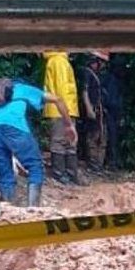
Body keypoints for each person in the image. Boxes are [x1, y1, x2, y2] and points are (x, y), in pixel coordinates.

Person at [0, 79, 77, 206]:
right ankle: (34, 208)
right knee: (34, 166)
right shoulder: (22, 89)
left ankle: (9, 208)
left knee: (5, 174)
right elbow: (57, 99)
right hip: (15, 129)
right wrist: (69, 125)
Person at [42, 51, 84, 185]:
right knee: (60, 141)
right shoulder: (58, 61)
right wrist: (65, 112)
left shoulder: (60, 60)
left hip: (65, 109)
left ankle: (71, 174)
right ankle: (60, 174)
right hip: (60, 110)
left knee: (70, 141)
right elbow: (61, 90)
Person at [78, 50, 108, 173]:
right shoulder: (87, 73)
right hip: (93, 110)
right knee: (93, 137)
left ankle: (98, 165)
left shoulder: (96, 75)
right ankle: (93, 164)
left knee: (102, 137)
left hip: (100, 110)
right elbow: (84, 92)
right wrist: (89, 109)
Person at [102, 53, 125, 172]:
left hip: (115, 112)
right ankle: (111, 163)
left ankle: (113, 162)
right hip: (109, 112)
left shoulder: (116, 80)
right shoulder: (110, 78)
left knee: (114, 138)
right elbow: (109, 99)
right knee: (111, 138)